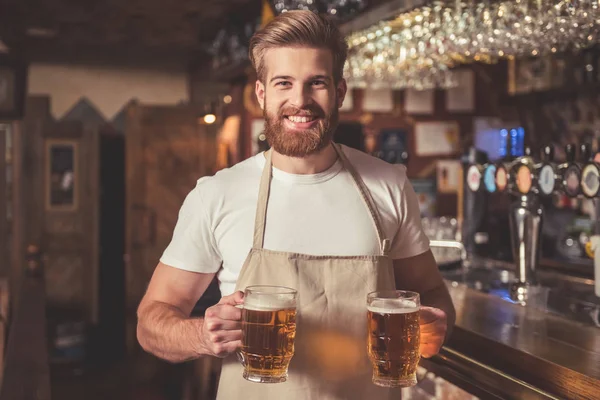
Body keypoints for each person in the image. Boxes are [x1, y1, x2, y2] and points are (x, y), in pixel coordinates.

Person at [137, 10, 455, 399]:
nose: (299, 101)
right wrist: (201, 334)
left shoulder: (389, 184)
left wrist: (437, 327)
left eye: (316, 83)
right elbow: (151, 321)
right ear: (261, 94)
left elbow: (432, 294)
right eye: (283, 83)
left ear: (339, 92)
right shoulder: (217, 194)